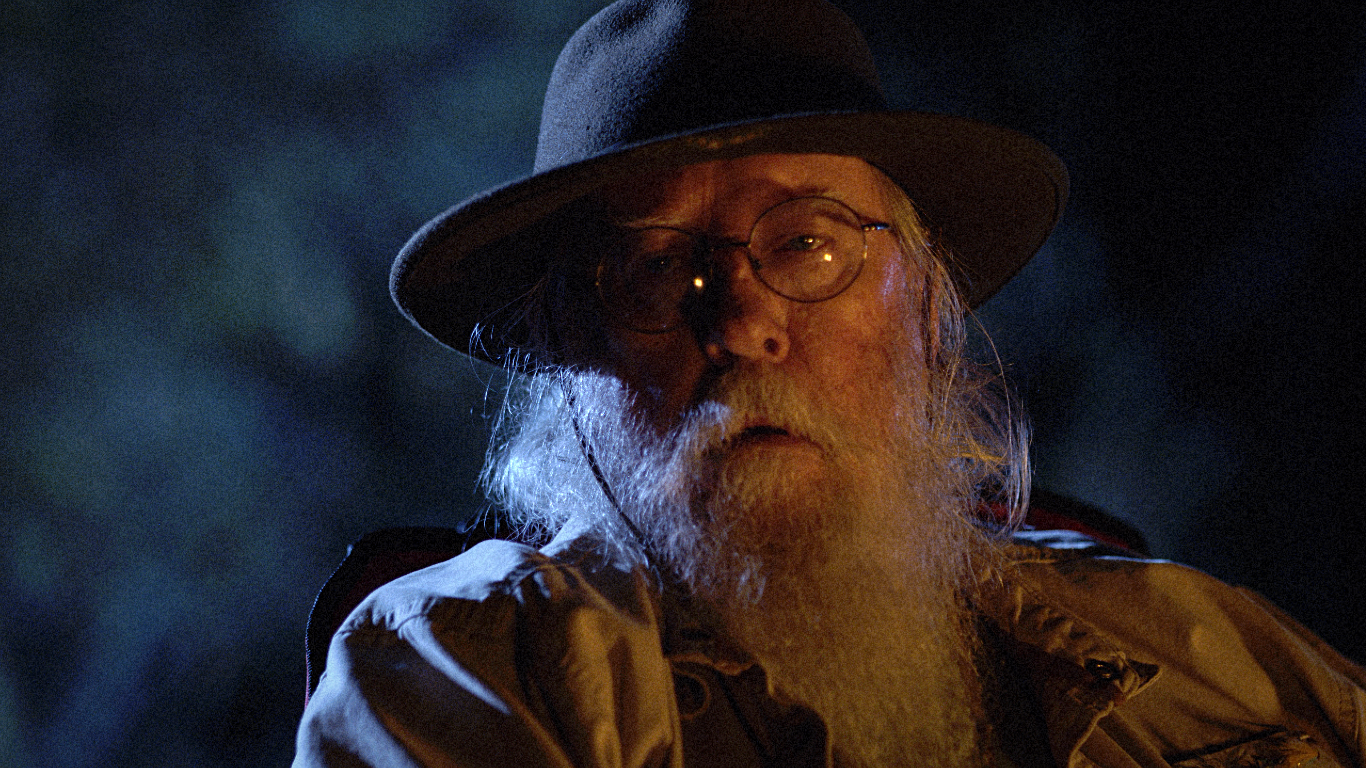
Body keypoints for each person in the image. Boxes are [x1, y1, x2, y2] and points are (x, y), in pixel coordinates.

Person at [294, 1, 1366, 766]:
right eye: (658, 268)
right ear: (566, 354)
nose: (745, 320)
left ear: (927, 312)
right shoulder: (468, 666)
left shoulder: (1201, 655)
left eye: (807, 245)